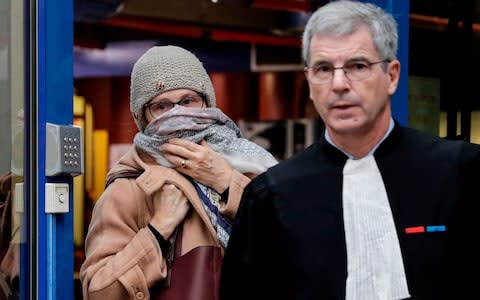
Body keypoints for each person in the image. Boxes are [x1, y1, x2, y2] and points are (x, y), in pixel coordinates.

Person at [220, 1, 480, 299]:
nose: (339, 84)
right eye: (323, 69)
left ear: (392, 76)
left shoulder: (461, 172)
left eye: (358, 66)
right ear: (309, 81)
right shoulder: (272, 197)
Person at [79, 45, 277, 300]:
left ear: (206, 102)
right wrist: (157, 230)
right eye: (162, 106)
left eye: (188, 101)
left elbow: (297, 241)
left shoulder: (251, 166)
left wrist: (226, 182)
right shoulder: (128, 189)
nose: (177, 113)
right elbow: (99, 293)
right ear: (143, 116)